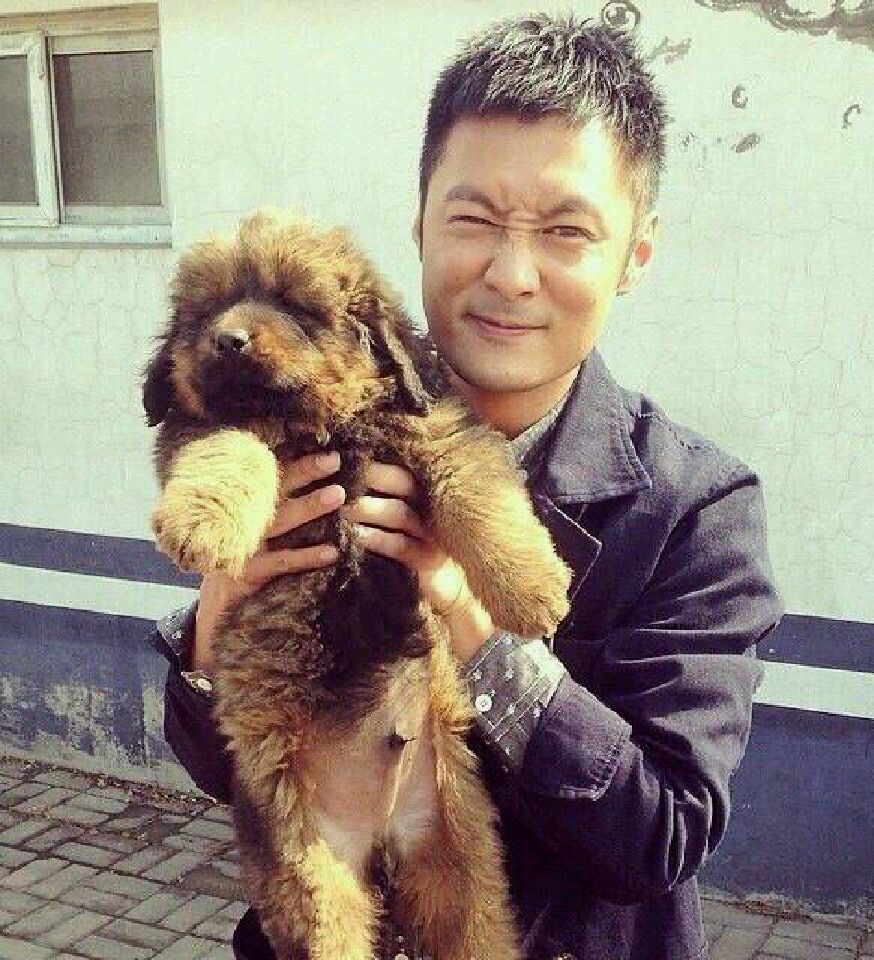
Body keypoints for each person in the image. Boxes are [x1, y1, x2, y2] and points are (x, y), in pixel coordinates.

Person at [151, 13, 784, 960]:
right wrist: (216, 625)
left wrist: (474, 627)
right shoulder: (297, 423)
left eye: (566, 230)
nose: (512, 274)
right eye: (474, 220)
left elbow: (664, 834)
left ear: (635, 254)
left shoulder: (694, 509)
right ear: (419, 225)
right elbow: (220, 764)